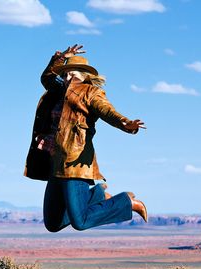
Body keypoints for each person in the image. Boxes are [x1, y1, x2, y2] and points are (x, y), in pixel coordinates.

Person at [24, 44, 148, 232]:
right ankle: (98, 195)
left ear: (83, 76)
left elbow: (108, 112)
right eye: (64, 74)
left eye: (71, 74)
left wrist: (126, 123)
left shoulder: (90, 93)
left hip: (75, 163)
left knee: (80, 222)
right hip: (54, 163)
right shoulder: (58, 91)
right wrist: (60, 57)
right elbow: (46, 77)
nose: (67, 78)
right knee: (53, 223)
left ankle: (126, 203)